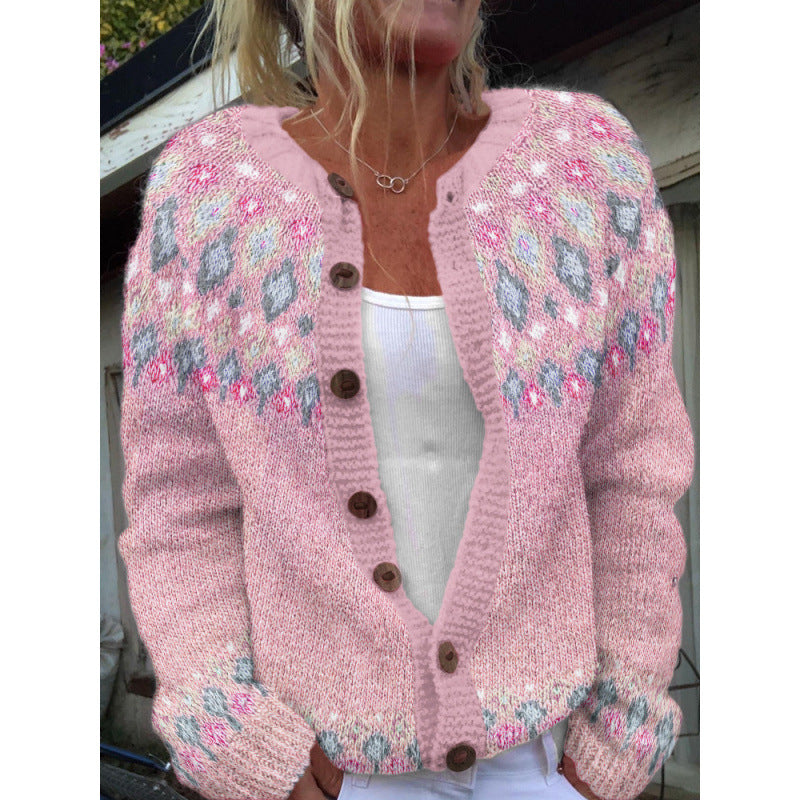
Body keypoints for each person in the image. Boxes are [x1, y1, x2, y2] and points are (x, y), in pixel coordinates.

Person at [117, 1, 694, 799]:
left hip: (545, 765)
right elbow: (179, 501)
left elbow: (633, 469)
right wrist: (237, 741)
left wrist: (613, 745)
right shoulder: (209, 192)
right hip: (320, 770)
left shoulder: (583, 164)